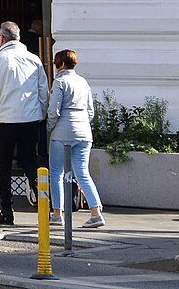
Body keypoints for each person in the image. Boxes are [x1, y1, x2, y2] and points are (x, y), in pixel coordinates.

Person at [0, 21, 49, 226]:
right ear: (18, 37)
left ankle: (6, 210)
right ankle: (45, 204)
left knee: (4, 166)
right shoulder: (33, 59)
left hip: (4, 120)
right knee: (30, 161)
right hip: (29, 120)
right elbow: (43, 92)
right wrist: (40, 114)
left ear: (2, 38)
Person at [46, 49, 106, 228]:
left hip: (63, 132)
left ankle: (57, 214)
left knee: (56, 173)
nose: (55, 68)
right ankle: (96, 213)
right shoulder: (83, 82)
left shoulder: (60, 82)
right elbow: (90, 111)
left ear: (62, 64)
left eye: (56, 64)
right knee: (82, 173)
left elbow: (54, 110)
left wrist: (49, 128)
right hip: (84, 132)